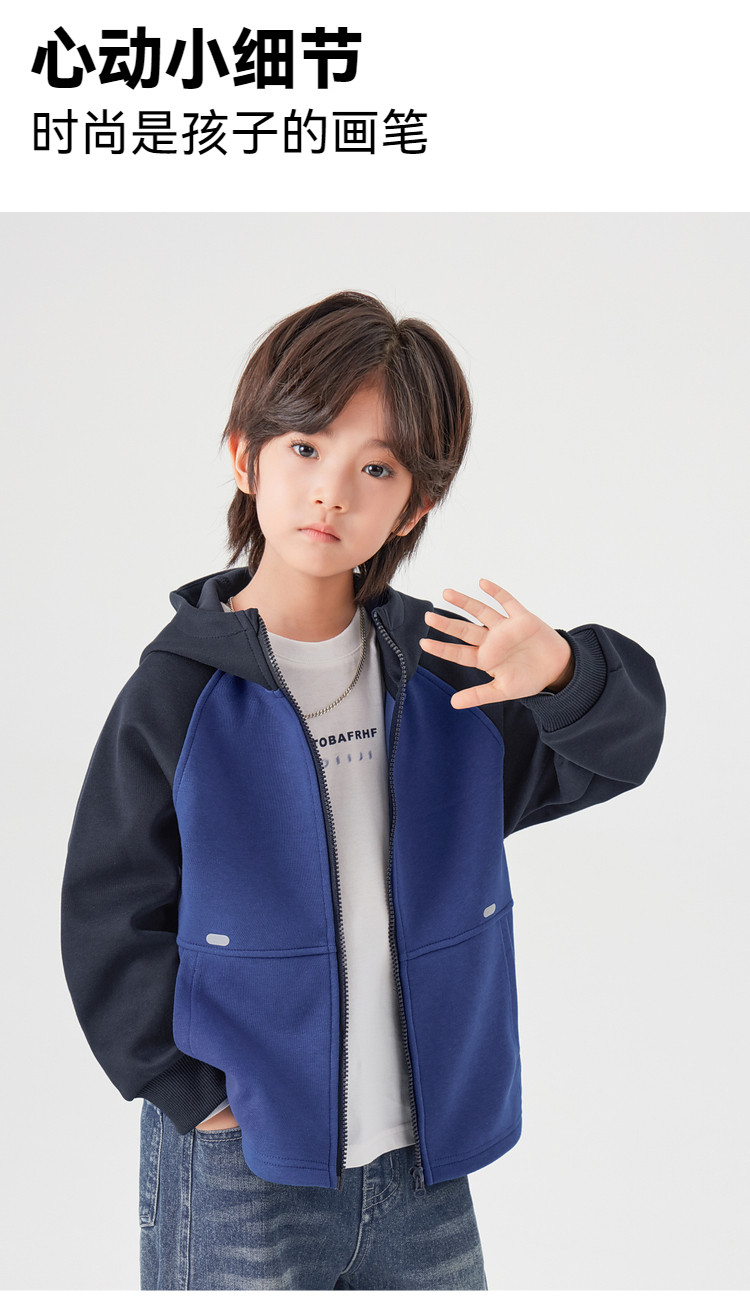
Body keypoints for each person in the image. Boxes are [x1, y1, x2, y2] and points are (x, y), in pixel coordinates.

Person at [60, 290, 666, 1291]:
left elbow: (617, 752)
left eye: (376, 467)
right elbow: (107, 909)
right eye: (305, 447)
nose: (331, 492)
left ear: (415, 506)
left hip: (425, 1158)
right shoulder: (177, 692)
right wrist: (195, 1094)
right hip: (244, 1159)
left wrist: (562, 674)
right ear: (244, 456)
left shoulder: (445, 673)